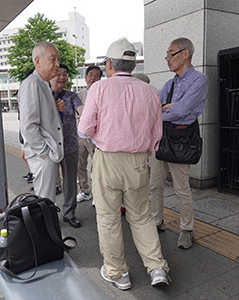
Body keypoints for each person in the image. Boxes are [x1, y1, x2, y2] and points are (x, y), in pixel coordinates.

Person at [78, 38, 170, 290]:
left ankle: (118, 273)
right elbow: (156, 132)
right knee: (141, 217)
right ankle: (157, 267)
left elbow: (84, 129)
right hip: (139, 161)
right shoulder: (149, 90)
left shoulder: (98, 89)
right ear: (132, 64)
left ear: (109, 64)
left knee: (108, 218)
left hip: (108, 160)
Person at [149, 37, 207, 250]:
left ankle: (187, 229)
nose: (167, 59)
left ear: (185, 53)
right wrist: (167, 109)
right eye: (167, 56)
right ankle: (156, 221)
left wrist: (166, 109)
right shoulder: (170, 83)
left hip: (181, 140)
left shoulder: (199, 80)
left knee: (182, 188)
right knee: (155, 185)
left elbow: (182, 111)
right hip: (162, 139)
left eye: (170, 54)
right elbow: (156, 107)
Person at [19, 41, 63, 202]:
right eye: (53, 59)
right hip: (43, 156)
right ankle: (44, 228)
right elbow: (29, 125)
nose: (57, 64)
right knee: (45, 201)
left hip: (46, 154)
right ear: (37, 61)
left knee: (46, 200)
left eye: (58, 59)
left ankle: (46, 226)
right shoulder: (32, 84)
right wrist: (45, 154)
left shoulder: (42, 84)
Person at [50, 63, 83, 228]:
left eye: (65, 74)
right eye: (58, 74)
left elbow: (81, 109)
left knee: (70, 182)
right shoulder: (43, 95)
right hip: (49, 147)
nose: (62, 77)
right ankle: (47, 215)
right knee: (48, 182)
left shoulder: (72, 96)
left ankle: (69, 214)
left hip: (70, 145)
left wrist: (86, 113)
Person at [76, 66, 102, 204]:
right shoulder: (79, 94)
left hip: (95, 136)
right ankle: (84, 190)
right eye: (90, 75)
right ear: (85, 77)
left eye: (97, 76)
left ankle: (97, 193)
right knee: (80, 164)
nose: (93, 78)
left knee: (97, 165)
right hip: (80, 135)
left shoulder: (103, 93)